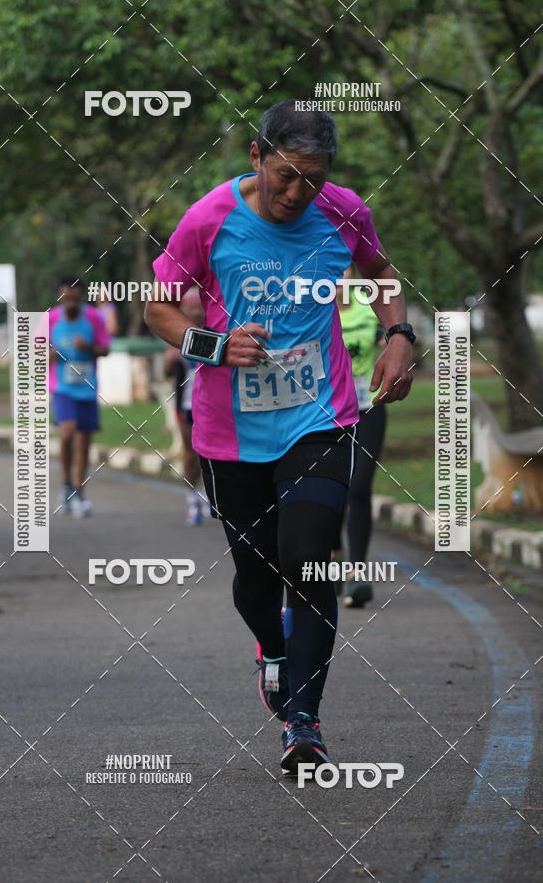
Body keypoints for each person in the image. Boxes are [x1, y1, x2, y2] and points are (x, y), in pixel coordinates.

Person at [145, 100, 414, 775]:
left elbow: (382, 276)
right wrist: (211, 342)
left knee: (309, 560)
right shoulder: (208, 220)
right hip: (229, 431)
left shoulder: (345, 210)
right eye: (286, 176)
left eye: (314, 180)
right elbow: (156, 305)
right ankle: (271, 647)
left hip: (319, 418)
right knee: (257, 575)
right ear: (256, 157)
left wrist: (399, 335)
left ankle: (304, 721)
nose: (298, 194)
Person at [333, 283, 387, 607]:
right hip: (326, 412)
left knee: (359, 487)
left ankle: (356, 573)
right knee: (333, 488)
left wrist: (396, 341)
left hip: (368, 407)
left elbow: (393, 331)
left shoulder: (367, 305)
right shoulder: (312, 304)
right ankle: (334, 557)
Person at [49, 278, 110, 518]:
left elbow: (105, 349)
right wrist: (47, 353)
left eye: (74, 299)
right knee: (66, 433)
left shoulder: (94, 318)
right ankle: (66, 484)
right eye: (65, 298)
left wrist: (88, 348)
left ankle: (79, 491)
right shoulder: (52, 318)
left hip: (87, 387)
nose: (70, 303)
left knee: (84, 442)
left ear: (81, 298)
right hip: (62, 387)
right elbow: (35, 348)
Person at [163, 287, 209, 525]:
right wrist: (171, 360)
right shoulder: (176, 335)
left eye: (198, 307)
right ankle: (192, 497)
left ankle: (212, 496)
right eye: (190, 307)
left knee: (211, 455)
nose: (195, 311)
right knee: (191, 453)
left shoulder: (216, 330)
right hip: (187, 404)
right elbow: (166, 371)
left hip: (213, 405)